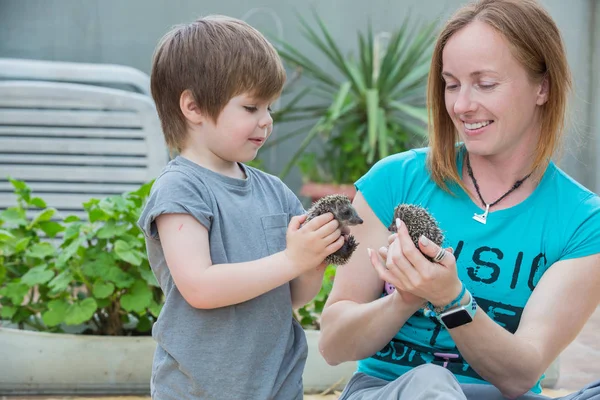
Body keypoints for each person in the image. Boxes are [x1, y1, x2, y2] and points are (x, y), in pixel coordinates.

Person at [318, 0, 600, 399]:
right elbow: (333, 344)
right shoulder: (395, 180)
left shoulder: (583, 221)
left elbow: (521, 375)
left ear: (543, 87)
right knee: (431, 383)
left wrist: (451, 300)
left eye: (485, 84)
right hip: (392, 390)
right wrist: (404, 301)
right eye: (452, 84)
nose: (462, 105)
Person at [137, 15, 344, 399]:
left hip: (277, 385)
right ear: (194, 106)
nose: (266, 122)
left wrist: (312, 265)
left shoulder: (275, 191)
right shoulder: (181, 189)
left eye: (269, 108)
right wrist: (291, 261)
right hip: (199, 390)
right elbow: (199, 287)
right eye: (251, 107)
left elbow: (291, 297)